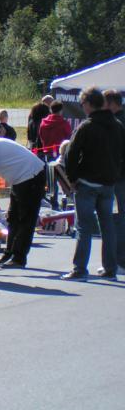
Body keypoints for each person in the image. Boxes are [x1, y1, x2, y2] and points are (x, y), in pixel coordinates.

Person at [61, 87, 125, 281]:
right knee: (108, 226)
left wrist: (72, 179)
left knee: (84, 227)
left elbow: (71, 154)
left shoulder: (86, 126)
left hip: (87, 183)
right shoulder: (117, 125)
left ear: (89, 104)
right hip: (108, 183)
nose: (82, 107)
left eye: (83, 104)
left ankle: (80, 269)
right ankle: (110, 268)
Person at [0, 138, 46, 268]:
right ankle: (8, 254)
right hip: (19, 178)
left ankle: (19, 258)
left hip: (31, 175)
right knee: (12, 218)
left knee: (25, 219)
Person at [102, 89, 125, 273]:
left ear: (111, 103)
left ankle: (119, 261)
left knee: (118, 219)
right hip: (118, 176)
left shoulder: (117, 123)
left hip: (118, 177)